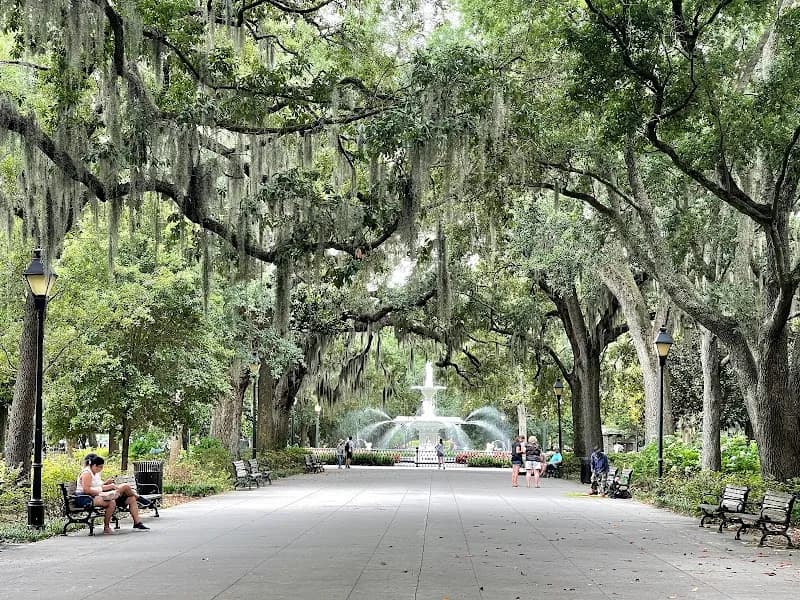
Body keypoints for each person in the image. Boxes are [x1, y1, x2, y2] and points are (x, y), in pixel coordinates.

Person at [76, 454, 149, 534]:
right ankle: (106, 527)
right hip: (85, 497)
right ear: (94, 465)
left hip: (96, 495)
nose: (101, 469)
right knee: (113, 500)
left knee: (131, 498)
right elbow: (86, 490)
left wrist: (108, 486)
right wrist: (102, 492)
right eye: (100, 467)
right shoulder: (87, 473)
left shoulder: (95, 473)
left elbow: (98, 486)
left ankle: (137, 523)